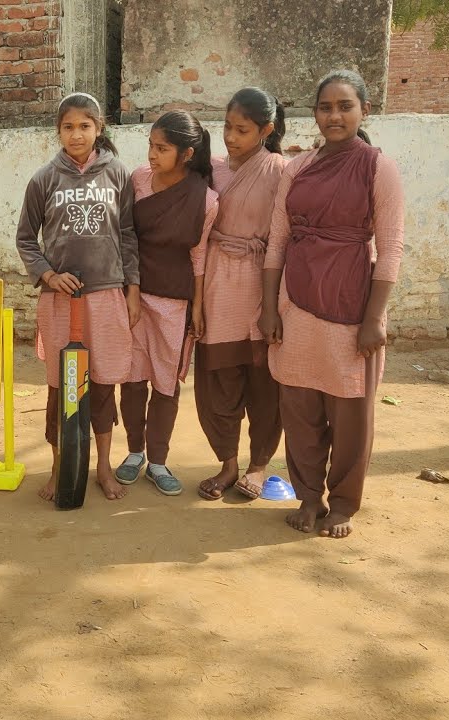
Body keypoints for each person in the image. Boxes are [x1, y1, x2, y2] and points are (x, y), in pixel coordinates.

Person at [259, 70, 405, 539]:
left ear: (363, 110)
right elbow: (277, 241)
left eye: (345, 106)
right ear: (315, 113)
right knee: (299, 406)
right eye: (326, 106)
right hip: (296, 303)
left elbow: (391, 247)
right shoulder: (298, 168)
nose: (334, 115)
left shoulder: (378, 167)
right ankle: (308, 497)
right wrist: (268, 307)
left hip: (350, 303)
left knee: (349, 413)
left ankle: (342, 503)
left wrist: (374, 318)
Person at [16, 92, 139, 502]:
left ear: (99, 129)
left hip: (106, 297)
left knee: (101, 383)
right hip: (59, 300)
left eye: (85, 126)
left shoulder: (118, 174)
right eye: (68, 127)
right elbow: (25, 240)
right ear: (58, 131)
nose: (76, 134)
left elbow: (128, 237)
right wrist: (49, 275)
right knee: (62, 385)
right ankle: (59, 467)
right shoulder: (44, 179)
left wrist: (132, 289)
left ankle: (103, 467)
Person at [115, 110, 218, 496]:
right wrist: (130, 289)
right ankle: (133, 453)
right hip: (134, 295)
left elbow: (199, 255)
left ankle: (158, 460)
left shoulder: (206, 200)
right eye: (151, 147)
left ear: (187, 153)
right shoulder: (138, 179)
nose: (153, 155)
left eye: (163, 148)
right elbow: (126, 236)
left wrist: (198, 306)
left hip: (175, 302)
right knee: (132, 376)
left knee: (165, 383)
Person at [195, 88, 288, 502]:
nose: (231, 137)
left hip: (261, 282)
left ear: (266, 130)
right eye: (227, 127)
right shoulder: (209, 170)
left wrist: (275, 305)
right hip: (216, 283)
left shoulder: (282, 171)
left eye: (242, 130)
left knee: (263, 381)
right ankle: (228, 463)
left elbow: (286, 238)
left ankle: (258, 465)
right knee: (219, 377)